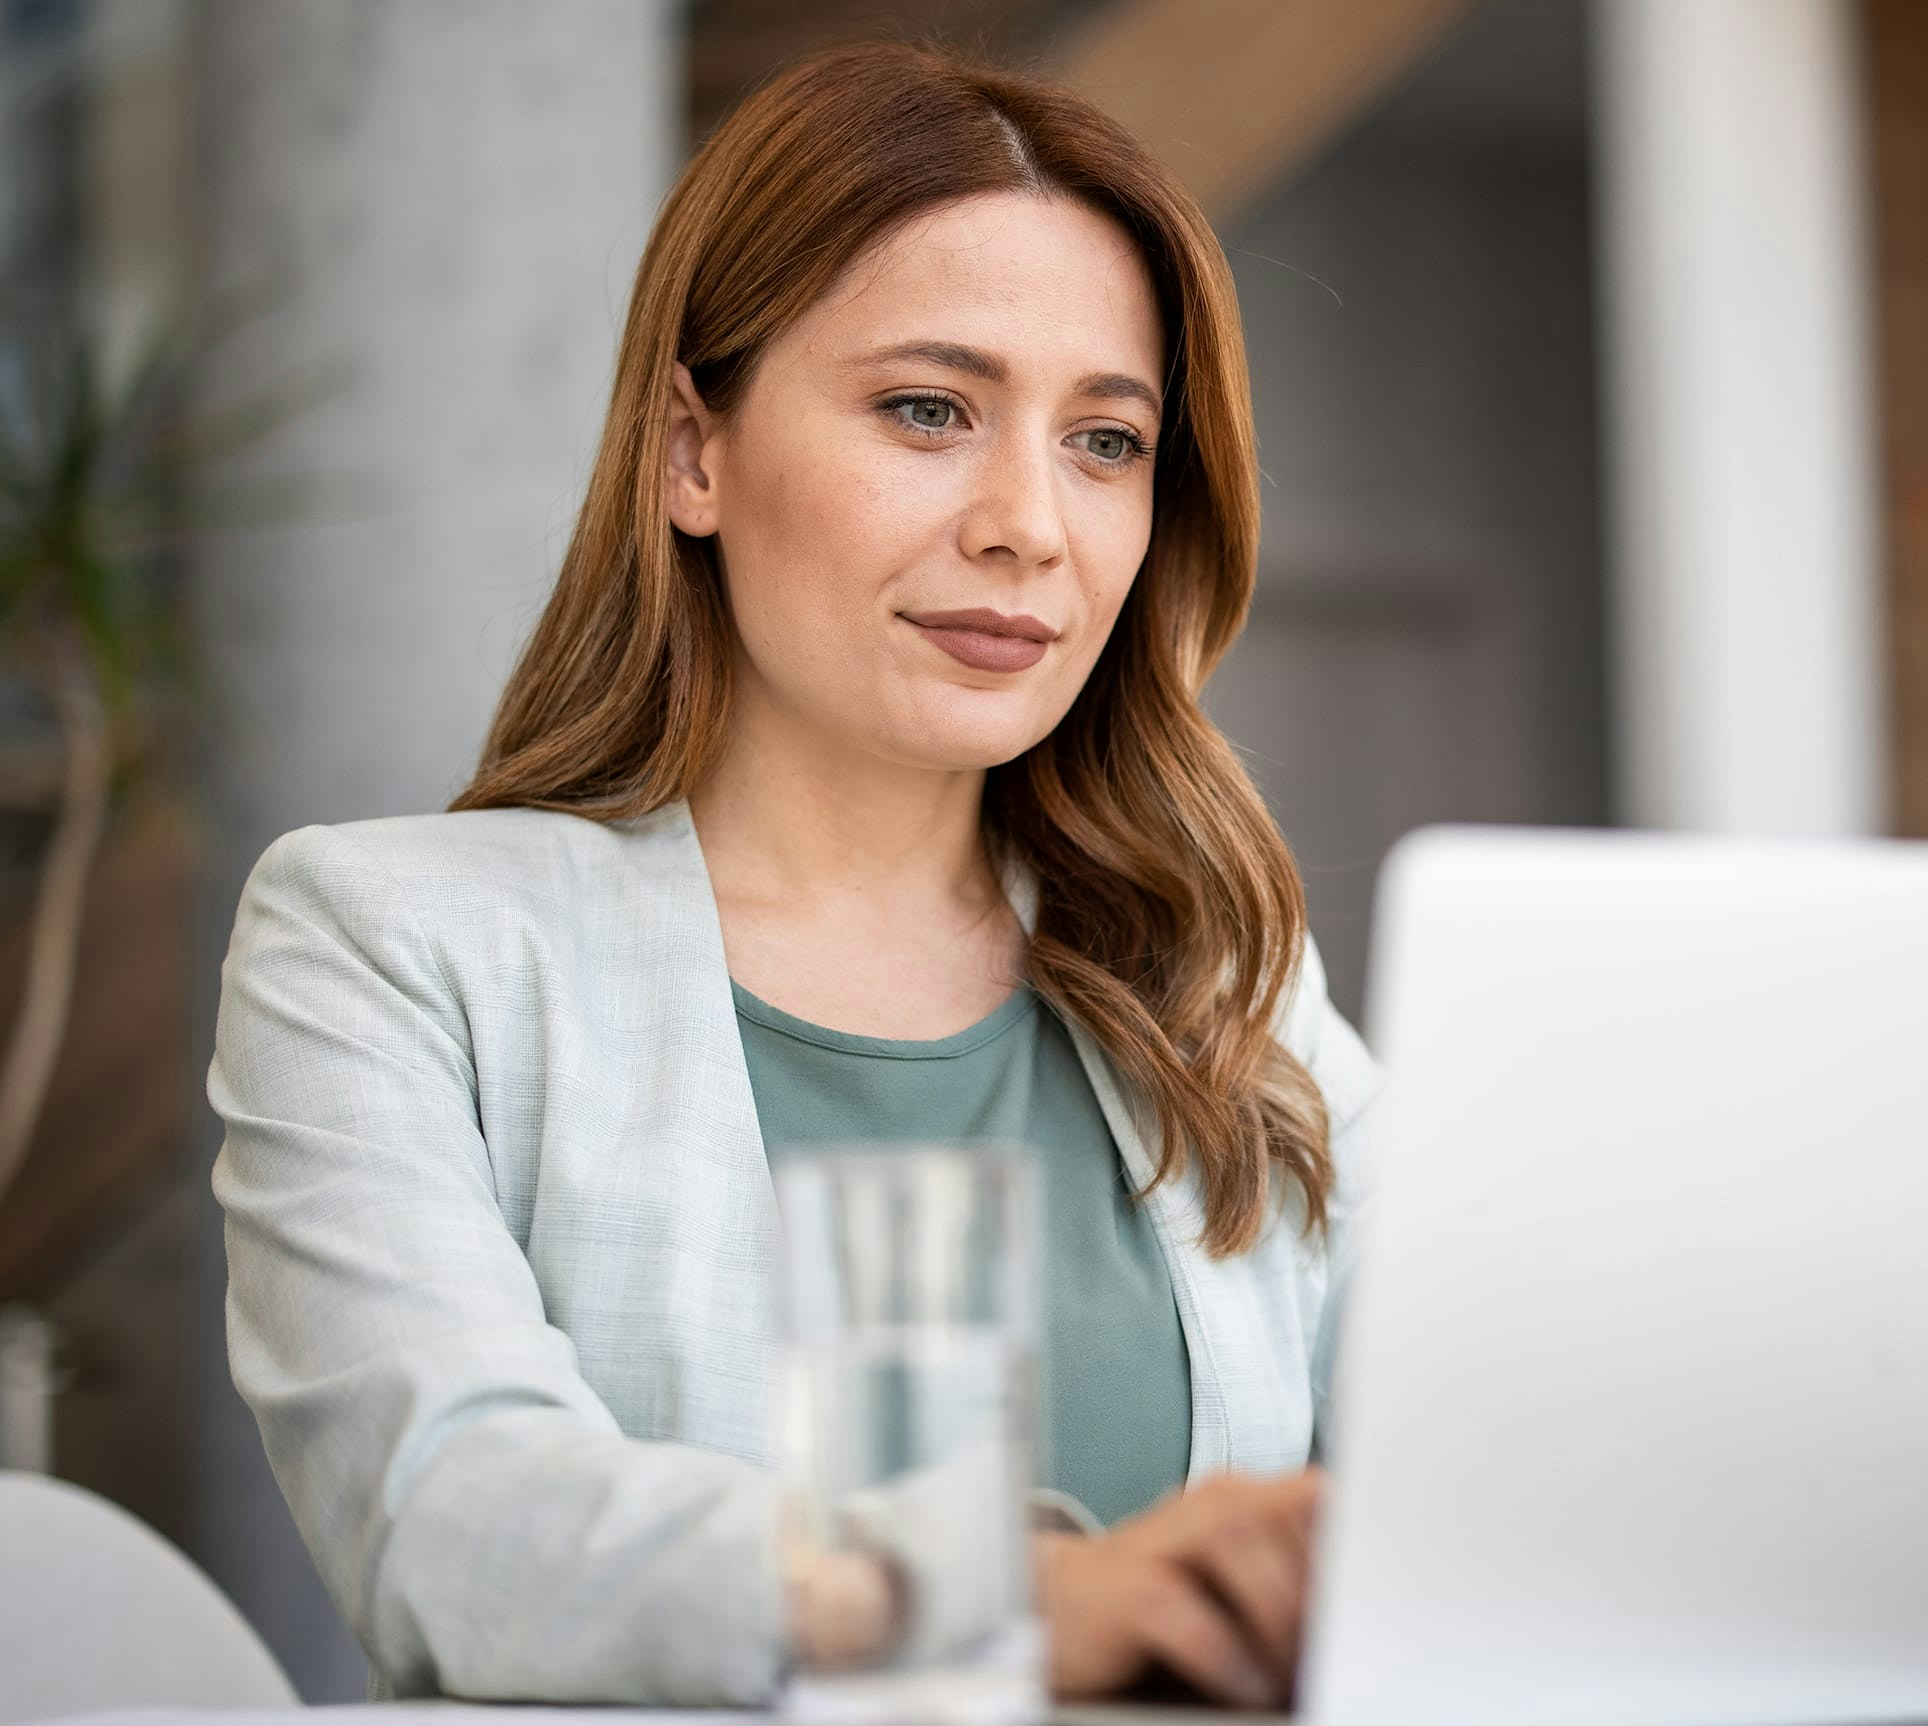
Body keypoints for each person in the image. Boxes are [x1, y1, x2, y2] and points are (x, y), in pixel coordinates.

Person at [206, 37, 1382, 1711]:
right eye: (928, 409)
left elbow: (1494, 1439)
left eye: (1107, 442)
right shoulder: (393, 945)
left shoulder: (1217, 981)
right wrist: (1023, 1595)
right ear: (694, 450)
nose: (1028, 525)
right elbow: (452, 1517)